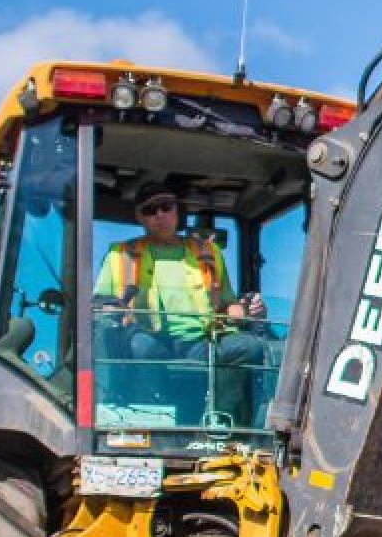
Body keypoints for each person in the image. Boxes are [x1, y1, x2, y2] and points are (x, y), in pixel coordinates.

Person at [96, 181, 268, 426]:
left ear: (178, 211)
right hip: (148, 340)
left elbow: (228, 306)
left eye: (166, 207)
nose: (160, 215)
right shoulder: (120, 254)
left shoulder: (208, 253)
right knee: (140, 348)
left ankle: (216, 418)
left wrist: (246, 309)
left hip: (201, 343)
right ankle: (150, 422)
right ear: (139, 217)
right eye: (150, 210)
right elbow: (101, 303)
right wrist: (111, 308)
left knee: (248, 347)